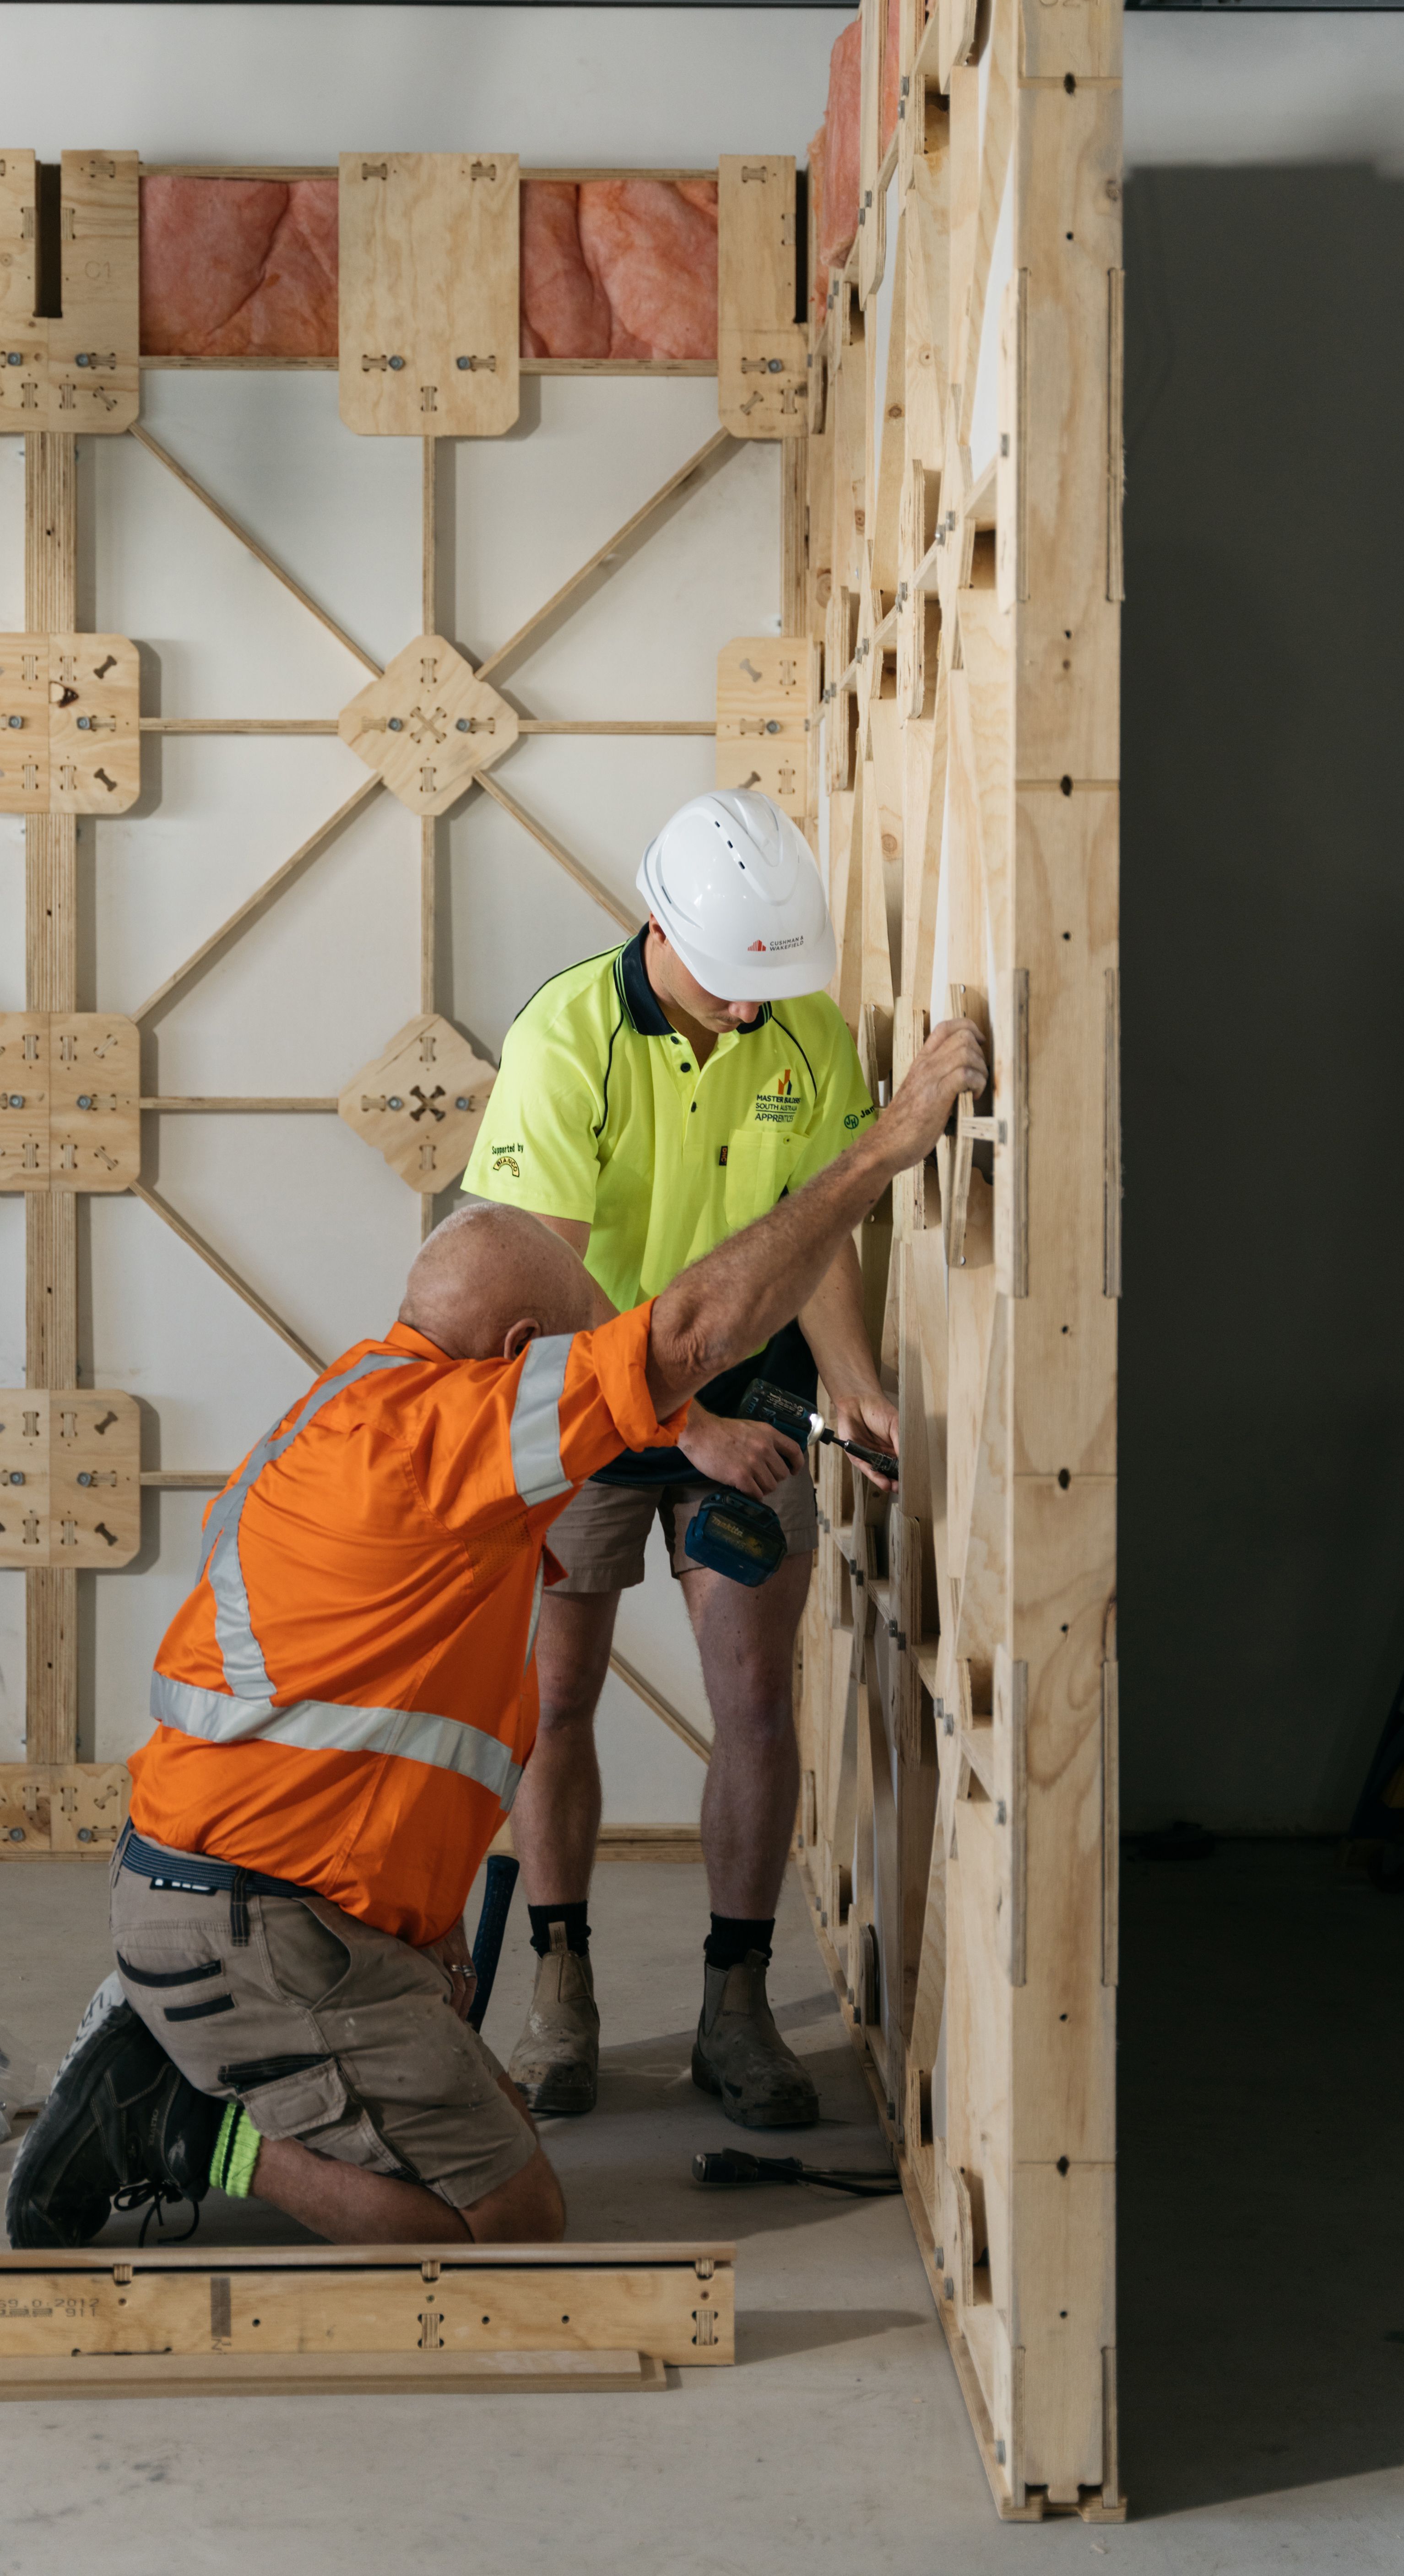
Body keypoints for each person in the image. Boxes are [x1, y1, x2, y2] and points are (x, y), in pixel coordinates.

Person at [6, 1014, 987, 2249]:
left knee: (479, 2118)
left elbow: (361, 1744)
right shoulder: (454, 1437)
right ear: (521, 1357)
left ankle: (202, 2045)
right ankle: (185, 2127)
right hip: (264, 1930)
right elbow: (688, 1334)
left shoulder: (359, 1399)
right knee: (510, 2222)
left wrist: (417, 1942)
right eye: (577, 1347)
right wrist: (882, 1150)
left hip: (246, 1899)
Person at [459, 789, 897, 2128]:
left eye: (777, 987)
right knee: (558, 1702)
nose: (757, 1013)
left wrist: (862, 1392)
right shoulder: (568, 1035)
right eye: (733, 985)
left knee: (755, 1701)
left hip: (751, 1396)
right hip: (586, 1391)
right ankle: (561, 1991)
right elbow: (547, 1273)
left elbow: (811, 1236)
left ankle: (736, 2005)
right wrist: (674, 1420)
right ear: (662, 926)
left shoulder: (800, 1031)